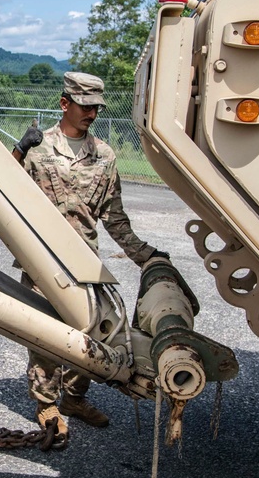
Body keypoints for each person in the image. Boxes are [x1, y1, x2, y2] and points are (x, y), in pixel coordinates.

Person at [12, 72, 165, 436]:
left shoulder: (104, 155)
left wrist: (145, 256)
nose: (92, 113)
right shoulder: (39, 148)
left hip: (84, 261)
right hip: (42, 259)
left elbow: (115, 217)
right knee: (45, 335)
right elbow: (0, 189)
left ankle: (75, 397)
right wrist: (18, 150)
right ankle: (47, 404)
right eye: (85, 106)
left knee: (92, 334)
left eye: (97, 107)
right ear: (65, 104)